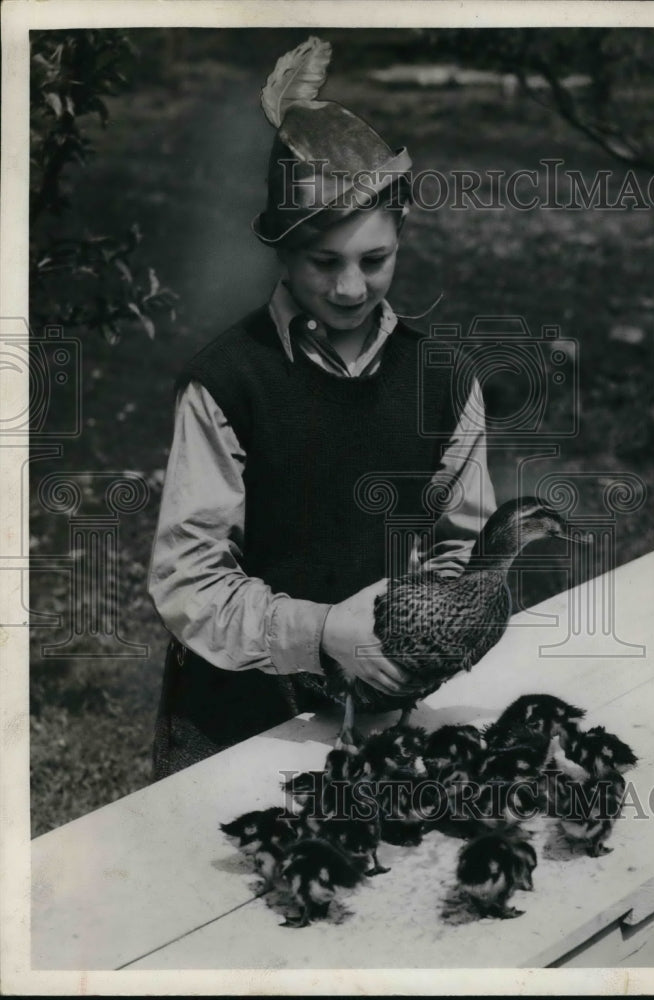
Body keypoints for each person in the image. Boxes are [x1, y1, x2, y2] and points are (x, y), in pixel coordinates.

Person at [148, 37, 495, 779]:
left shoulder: (444, 380)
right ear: (279, 251)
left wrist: (417, 645)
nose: (347, 289)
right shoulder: (227, 382)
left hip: (380, 711)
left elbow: (456, 549)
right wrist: (323, 631)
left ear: (401, 236)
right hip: (236, 718)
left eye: (374, 260)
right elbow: (190, 583)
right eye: (322, 261)